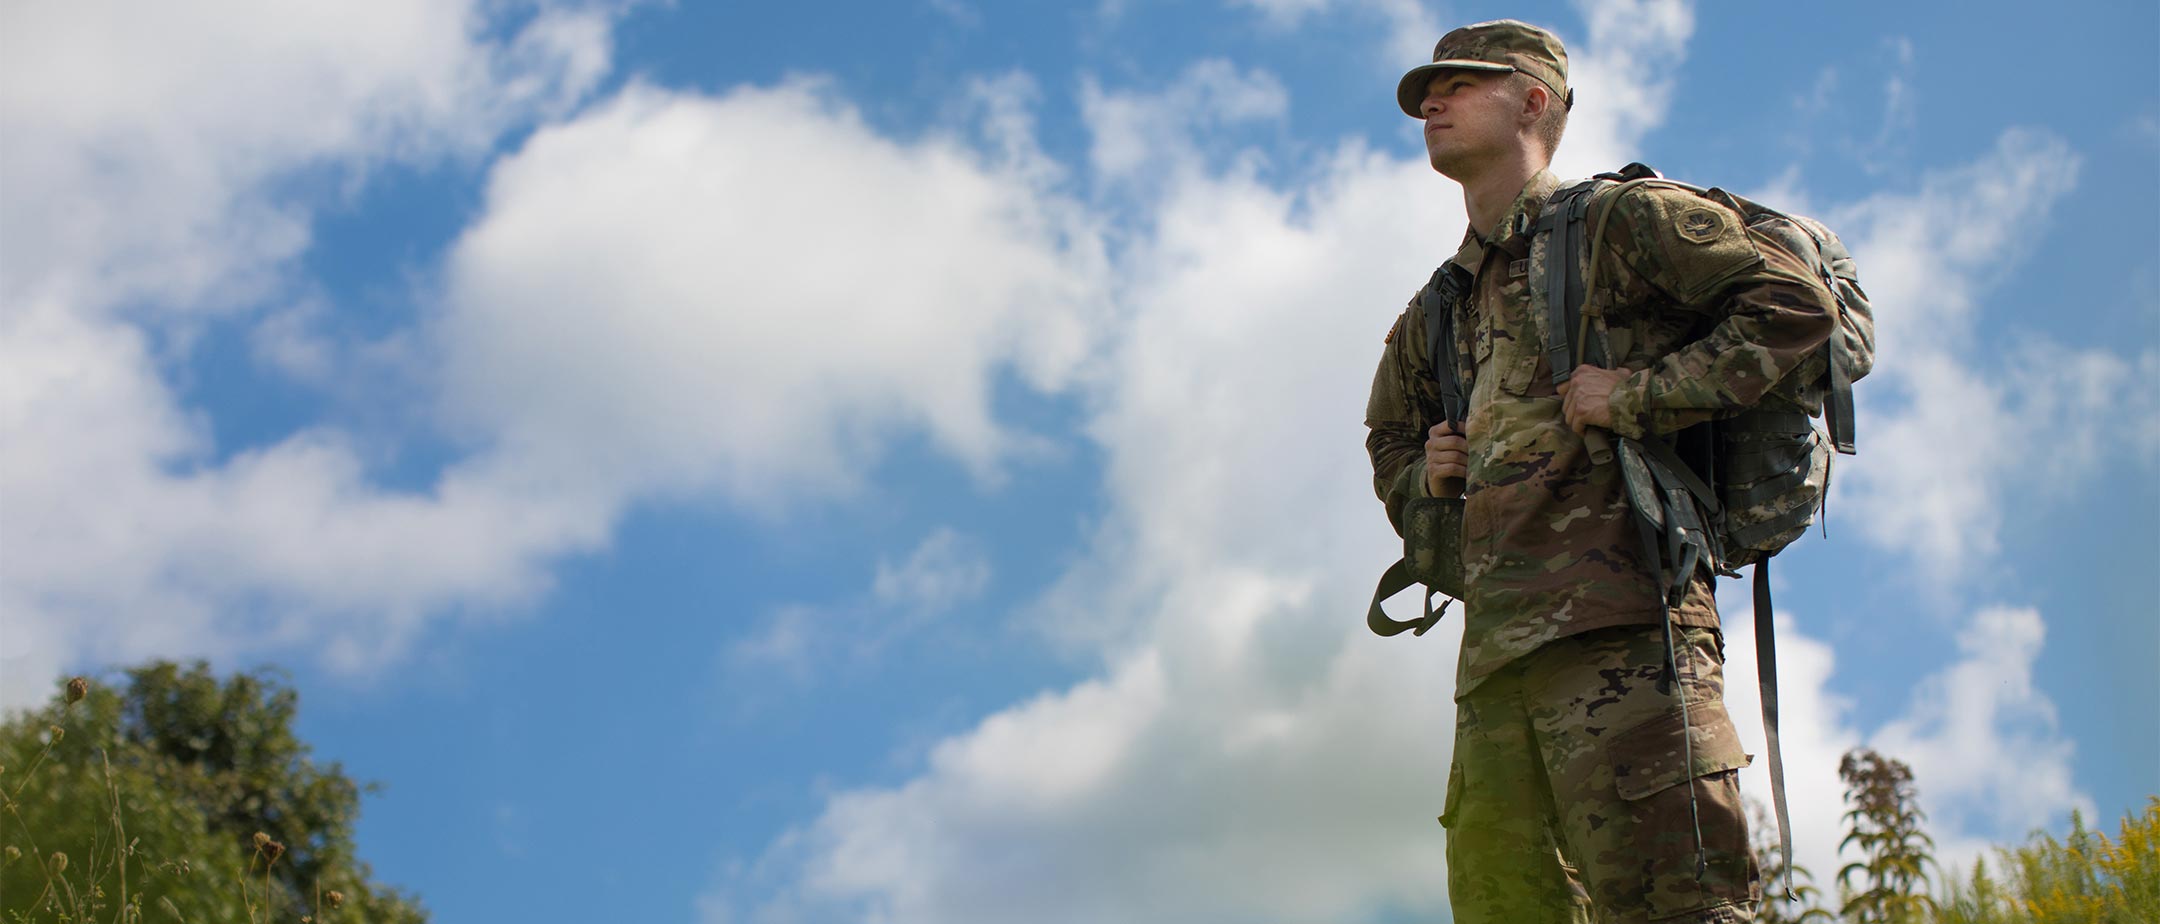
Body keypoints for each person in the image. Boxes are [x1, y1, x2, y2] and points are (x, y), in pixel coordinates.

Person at [1362, 19, 1838, 924]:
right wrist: (1425, 480)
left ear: (1534, 100)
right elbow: (1386, 435)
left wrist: (1643, 395)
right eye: (1430, 89)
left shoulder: (1621, 223)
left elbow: (1792, 306)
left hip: (1633, 638)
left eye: (1460, 83)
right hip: (1494, 673)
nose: (1432, 100)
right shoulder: (1440, 304)